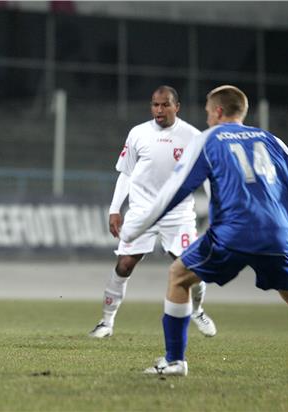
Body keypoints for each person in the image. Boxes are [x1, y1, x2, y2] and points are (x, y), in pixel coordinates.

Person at [120, 85, 288, 376]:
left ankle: (174, 361)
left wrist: (135, 227)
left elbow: (176, 188)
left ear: (219, 111)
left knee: (178, 275)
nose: (208, 118)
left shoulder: (208, 139)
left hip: (233, 231)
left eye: (209, 113)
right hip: (277, 232)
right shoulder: (272, 140)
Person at [89, 86, 217, 339]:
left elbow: (206, 178)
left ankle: (198, 310)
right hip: (142, 212)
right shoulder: (138, 133)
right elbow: (126, 173)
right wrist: (115, 209)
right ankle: (106, 323)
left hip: (178, 214)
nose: (159, 110)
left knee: (192, 266)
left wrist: (216, 210)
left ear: (176, 107)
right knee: (124, 265)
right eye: (155, 105)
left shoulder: (192, 136)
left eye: (164, 105)